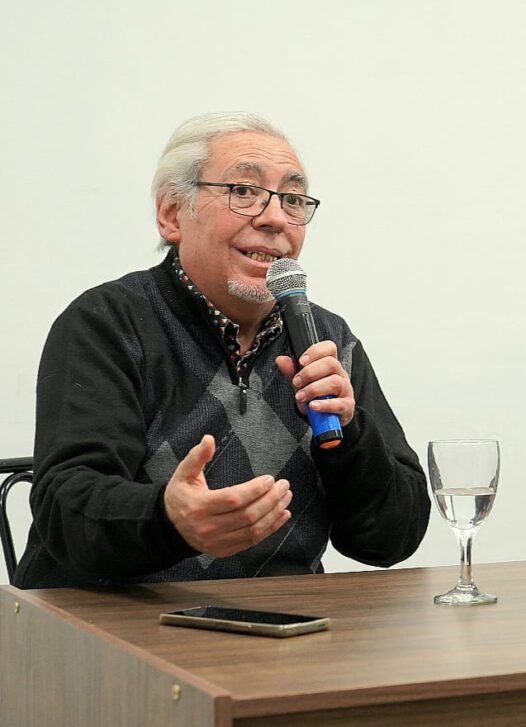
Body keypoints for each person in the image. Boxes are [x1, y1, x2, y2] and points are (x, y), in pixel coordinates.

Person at [14, 112, 430, 588]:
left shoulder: (327, 340)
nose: (275, 218)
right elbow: (67, 512)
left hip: (279, 619)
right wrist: (170, 519)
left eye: (292, 199)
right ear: (172, 214)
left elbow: (391, 539)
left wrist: (349, 434)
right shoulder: (109, 322)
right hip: (112, 620)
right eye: (244, 191)